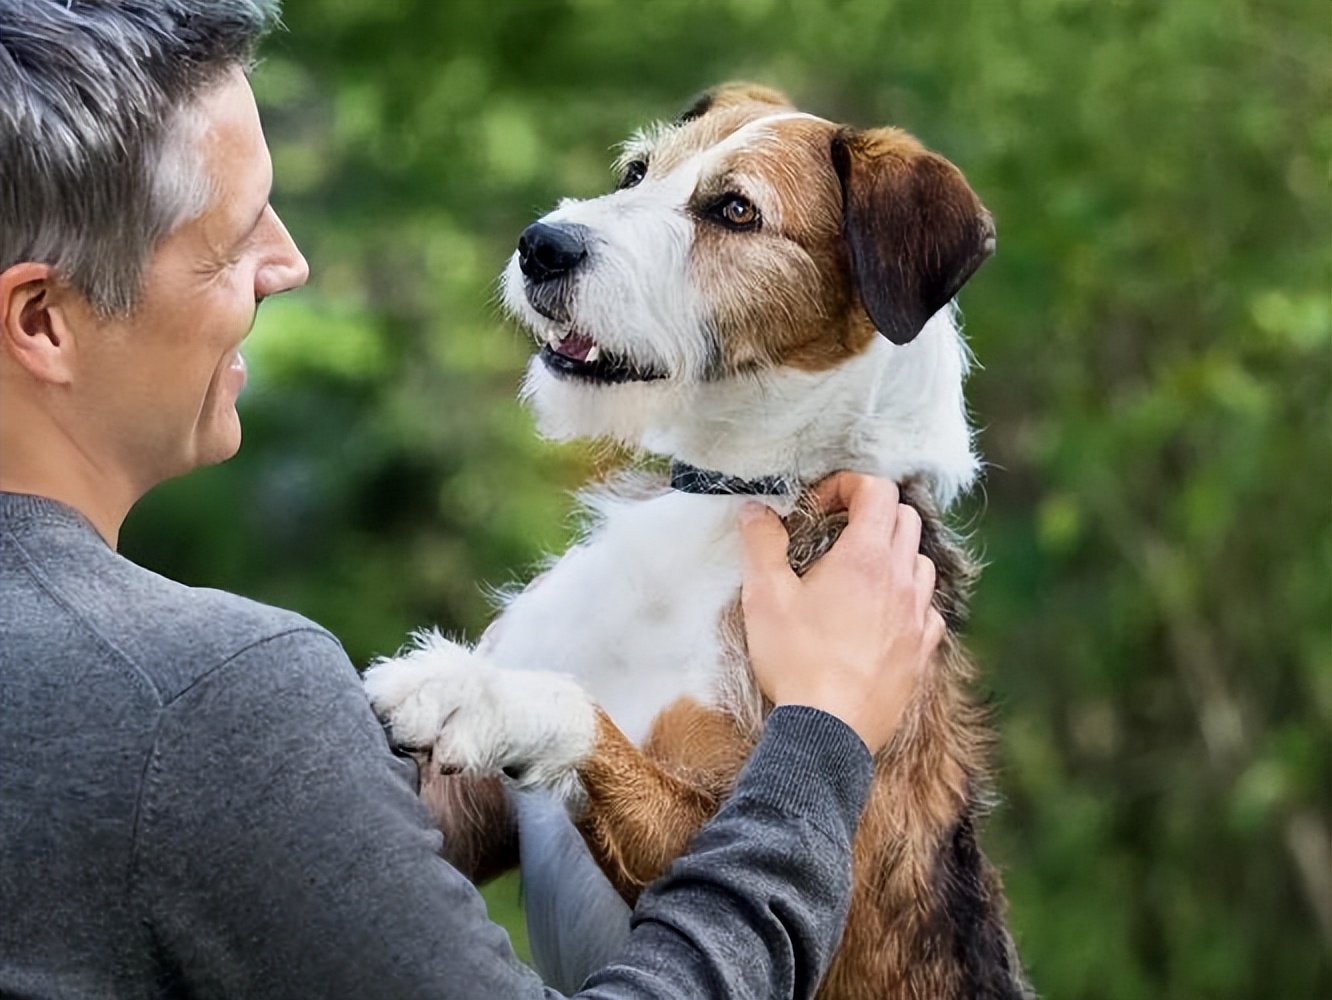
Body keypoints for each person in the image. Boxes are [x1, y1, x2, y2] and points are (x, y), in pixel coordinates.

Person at [0, 2, 945, 998]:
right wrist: (825, 731)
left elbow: (342, 881)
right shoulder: (208, 699)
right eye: (233, 240)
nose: (292, 264)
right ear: (42, 320)